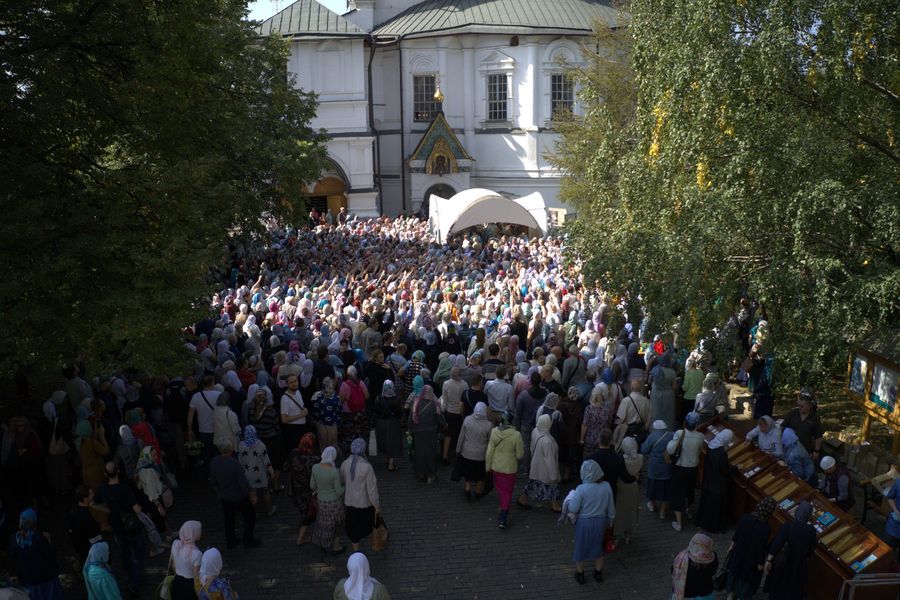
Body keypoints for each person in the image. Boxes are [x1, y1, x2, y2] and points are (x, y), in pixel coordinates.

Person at [94, 462, 146, 595]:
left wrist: (109, 510)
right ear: (118, 472)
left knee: (125, 553)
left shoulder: (102, 489)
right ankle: (135, 581)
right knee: (139, 554)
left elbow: (95, 503)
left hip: (116, 526)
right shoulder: (125, 488)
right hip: (131, 526)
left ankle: (130, 577)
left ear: (105, 474)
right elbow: (136, 508)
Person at [565, 460, 615, 585]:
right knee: (599, 547)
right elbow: (611, 508)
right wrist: (611, 521)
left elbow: (573, 508)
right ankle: (598, 573)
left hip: (584, 523)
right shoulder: (606, 486)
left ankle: (580, 574)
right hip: (601, 521)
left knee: (581, 548)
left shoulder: (581, 489)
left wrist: (569, 499)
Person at [208, 441, 260, 549]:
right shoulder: (234, 463)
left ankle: (231, 541)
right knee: (249, 516)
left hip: (225, 497)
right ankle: (248, 540)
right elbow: (243, 483)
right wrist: (252, 495)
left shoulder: (214, 461)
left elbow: (213, 481)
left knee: (229, 519)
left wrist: (218, 493)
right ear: (231, 449)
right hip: (239, 497)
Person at [763, 500, 817, 600]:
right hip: (798, 567)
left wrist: (769, 560)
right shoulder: (811, 531)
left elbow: (776, 544)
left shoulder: (787, 526)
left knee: (776, 590)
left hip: (782, 564)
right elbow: (811, 550)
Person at [8, 508, 66, 600]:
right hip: (45, 580)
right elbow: (51, 555)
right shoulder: (39, 538)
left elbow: (13, 557)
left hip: (29, 580)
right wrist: (48, 541)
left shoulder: (14, 538)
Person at [725, 497, 776, 600]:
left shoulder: (745, 517)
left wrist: (731, 546)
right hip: (750, 562)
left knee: (733, 579)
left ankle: (730, 596)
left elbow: (737, 534)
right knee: (744, 585)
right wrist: (760, 563)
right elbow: (760, 549)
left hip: (738, 554)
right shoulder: (765, 529)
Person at [340, 438, 380, 552]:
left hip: (350, 502)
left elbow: (342, 479)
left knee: (353, 530)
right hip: (364, 504)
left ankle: (356, 551)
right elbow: (372, 490)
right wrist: (376, 505)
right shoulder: (367, 467)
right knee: (365, 526)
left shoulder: (345, 463)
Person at [485, 411, 524, 529]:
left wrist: (488, 466)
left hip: (496, 467)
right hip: (509, 468)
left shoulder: (494, 432)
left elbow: (489, 451)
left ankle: (503, 506)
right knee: (507, 492)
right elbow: (520, 455)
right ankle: (503, 517)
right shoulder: (516, 435)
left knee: (501, 490)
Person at [667, 412, 705, 532]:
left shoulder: (680, 433)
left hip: (679, 468)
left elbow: (670, 449)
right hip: (692, 468)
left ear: (685, 422)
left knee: (677, 494)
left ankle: (678, 523)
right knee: (690, 491)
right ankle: (688, 511)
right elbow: (700, 451)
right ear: (697, 424)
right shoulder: (700, 436)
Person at [517, 414, 562, 512]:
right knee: (554, 486)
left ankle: (522, 499)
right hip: (545, 469)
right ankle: (555, 505)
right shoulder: (548, 441)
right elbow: (550, 460)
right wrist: (554, 475)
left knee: (533, 483)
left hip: (536, 464)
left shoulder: (535, 431)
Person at [695, 429, 735, 533]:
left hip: (709, 481)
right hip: (718, 484)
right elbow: (725, 470)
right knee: (714, 508)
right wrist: (735, 468)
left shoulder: (712, 445)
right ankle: (712, 526)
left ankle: (702, 522)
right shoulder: (721, 452)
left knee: (707, 505)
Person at [405, 383, 444, 484]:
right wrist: (444, 425)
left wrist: (409, 428)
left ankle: (420, 472)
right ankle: (430, 474)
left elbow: (411, 417)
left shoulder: (416, 402)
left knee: (419, 451)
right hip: (431, 432)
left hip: (418, 432)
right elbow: (440, 418)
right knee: (430, 452)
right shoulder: (435, 404)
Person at [247, 389, 284, 494]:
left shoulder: (251, 412)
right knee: (275, 464)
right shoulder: (271, 412)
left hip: (258, 441)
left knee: (264, 464)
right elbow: (276, 427)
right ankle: (275, 485)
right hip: (272, 441)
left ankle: (267, 486)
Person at [311, 446, 346, 555]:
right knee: (337, 526)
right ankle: (336, 547)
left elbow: (312, 486)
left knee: (323, 524)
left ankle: (323, 543)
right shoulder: (334, 472)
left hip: (321, 502)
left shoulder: (315, 467)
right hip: (334, 504)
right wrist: (345, 486)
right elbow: (339, 491)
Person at [456, 401, 493, 499]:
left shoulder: (467, 420)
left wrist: (458, 449)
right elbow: (490, 441)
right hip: (481, 455)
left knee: (468, 473)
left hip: (467, 453)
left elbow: (461, 436)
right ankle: (478, 491)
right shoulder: (488, 425)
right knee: (480, 475)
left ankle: (467, 490)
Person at [586, 428, 637, 499]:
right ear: (611, 441)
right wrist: (635, 477)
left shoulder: (590, 458)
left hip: (593, 493)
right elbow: (625, 477)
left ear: (599, 440)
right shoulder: (617, 457)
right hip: (610, 492)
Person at [237, 425, 276, 517]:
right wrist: (271, 472)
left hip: (248, 475)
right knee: (265, 492)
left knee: (252, 495)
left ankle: (254, 514)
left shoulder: (241, 445)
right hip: (261, 474)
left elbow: (240, 461)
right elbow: (266, 461)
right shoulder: (261, 445)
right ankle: (270, 510)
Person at [289, 433, 319, 546]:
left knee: (303, 510)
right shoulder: (314, 459)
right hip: (307, 490)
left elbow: (286, 467)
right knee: (307, 512)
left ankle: (302, 532)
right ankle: (300, 539)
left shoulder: (293, 453)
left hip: (295, 487)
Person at [641, 420, 674, 520]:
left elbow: (644, 450)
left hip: (654, 467)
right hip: (667, 466)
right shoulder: (671, 435)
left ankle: (652, 504)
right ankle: (662, 513)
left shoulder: (652, 436)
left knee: (653, 486)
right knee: (666, 490)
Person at [671, 533, 718, 600]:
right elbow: (713, 572)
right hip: (704, 592)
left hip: (684, 593)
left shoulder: (681, 557)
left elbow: (673, 571)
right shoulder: (712, 558)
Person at [614, 436, 643, 545]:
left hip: (621, 487)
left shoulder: (620, 460)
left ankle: (616, 536)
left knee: (619, 513)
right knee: (631, 511)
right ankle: (628, 535)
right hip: (633, 487)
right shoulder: (640, 458)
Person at [781, 389, 823, 461]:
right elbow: (782, 427)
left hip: (805, 451)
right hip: (790, 449)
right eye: (798, 406)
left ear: (809, 406)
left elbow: (818, 436)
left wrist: (816, 451)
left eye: (802, 406)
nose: (799, 408)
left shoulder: (815, 418)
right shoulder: (792, 413)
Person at [69, 485, 102, 568]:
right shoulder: (86, 517)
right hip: (90, 551)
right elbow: (94, 537)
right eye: (91, 494)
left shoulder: (73, 512)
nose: (93, 495)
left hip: (81, 549)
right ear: (85, 499)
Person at [338, 366, 369, 456]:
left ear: (347, 375)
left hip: (348, 413)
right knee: (360, 431)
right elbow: (367, 396)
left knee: (349, 432)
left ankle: (350, 450)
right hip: (360, 412)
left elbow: (341, 400)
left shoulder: (344, 385)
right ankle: (361, 448)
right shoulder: (361, 383)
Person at [440, 366, 468, 465]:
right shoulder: (464, 384)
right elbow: (465, 401)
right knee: (461, 435)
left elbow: (444, 400)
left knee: (448, 435)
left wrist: (442, 411)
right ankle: (461, 456)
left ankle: (445, 455)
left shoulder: (446, 384)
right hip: (460, 413)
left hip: (449, 412)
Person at [373, 381, 403, 472]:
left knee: (384, 440)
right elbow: (399, 414)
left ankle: (386, 458)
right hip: (392, 424)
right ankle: (391, 464)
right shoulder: (395, 400)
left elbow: (375, 412)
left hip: (381, 423)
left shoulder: (378, 399)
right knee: (393, 442)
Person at [170, 520, 203, 600]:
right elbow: (196, 576)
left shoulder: (175, 544)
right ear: (193, 533)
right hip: (190, 586)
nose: (200, 532)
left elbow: (173, 566)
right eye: (199, 530)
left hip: (177, 582)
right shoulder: (197, 554)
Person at [615, 379, 652, 446]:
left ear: (631, 388)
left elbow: (620, 419)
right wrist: (645, 428)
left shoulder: (626, 401)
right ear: (641, 389)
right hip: (641, 432)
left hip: (628, 432)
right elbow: (649, 419)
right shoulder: (647, 401)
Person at [581, 383, 614, 457]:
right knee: (600, 458)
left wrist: (581, 439)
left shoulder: (588, 409)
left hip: (590, 438)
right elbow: (609, 423)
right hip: (603, 438)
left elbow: (585, 425)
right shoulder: (607, 408)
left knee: (588, 458)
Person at [77, 417, 110, 490]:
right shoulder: (91, 442)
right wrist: (102, 436)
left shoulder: (78, 442)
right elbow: (106, 451)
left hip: (85, 472)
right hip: (96, 474)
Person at [280, 373, 309, 452]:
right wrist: (301, 415)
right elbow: (284, 419)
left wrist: (305, 410)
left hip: (302, 429)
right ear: (287, 384)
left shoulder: (298, 392)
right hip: (293, 431)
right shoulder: (284, 399)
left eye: (295, 381)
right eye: (291, 382)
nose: (294, 384)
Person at [312, 377, 341, 453]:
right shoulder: (336, 397)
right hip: (332, 423)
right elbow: (339, 410)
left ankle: (325, 456)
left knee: (323, 442)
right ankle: (333, 455)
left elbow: (315, 410)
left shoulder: (317, 396)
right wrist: (337, 421)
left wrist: (316, 420)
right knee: (332, 441)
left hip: (321, 423)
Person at [649, 352, 678, 429]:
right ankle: (668, 430)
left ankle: (655, 430)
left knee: (656, 412)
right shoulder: (672, 372)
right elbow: (674, 387)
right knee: (668, 414)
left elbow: (649, 381)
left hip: (656, 394)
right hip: (669, 395)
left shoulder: (655, 370)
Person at [883, 474, 900, 562]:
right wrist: (896, 511)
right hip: (895, 522)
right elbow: (890, 497)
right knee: (888, 547)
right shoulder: (898, 483)